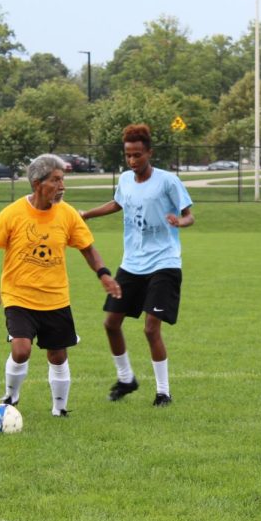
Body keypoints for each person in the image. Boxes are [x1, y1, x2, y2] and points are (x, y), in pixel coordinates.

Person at [0, 154, 121, 417]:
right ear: (37, 183)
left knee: (57, 356)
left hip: (56, 298)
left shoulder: (67, 214)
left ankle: (60, 408)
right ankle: (11, 396)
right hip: (19, 295)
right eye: (55, 180)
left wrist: (103, 274)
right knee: (21, 350)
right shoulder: (12, 214)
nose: (62, 186)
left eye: (63, 180)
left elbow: (88, 249)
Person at [80, 123, 194, 407]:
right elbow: (118, 203)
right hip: (132, 264)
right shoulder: (126, 180)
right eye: (128, 155)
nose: (132, 161)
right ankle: (126, 378)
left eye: (137, 155)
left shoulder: (168, 181)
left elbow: (189, 215)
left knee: (150, 329)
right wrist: (88, 214)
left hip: (164, 262)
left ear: (149, 153)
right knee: (110, 323)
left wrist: (180, 221)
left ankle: (163, 392)